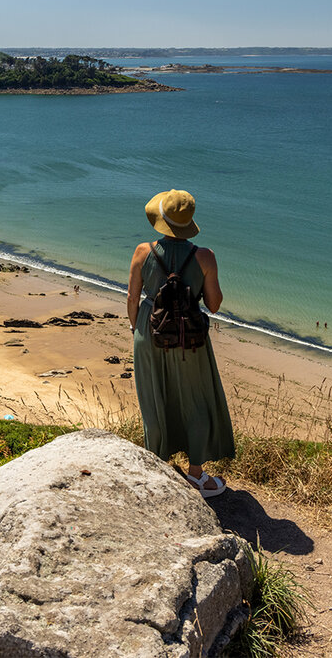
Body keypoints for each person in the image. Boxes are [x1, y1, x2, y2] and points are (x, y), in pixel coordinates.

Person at [127, 189, 235, 497]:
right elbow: (213, 304)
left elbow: (133, 297)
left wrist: (139, 331)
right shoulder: (205, 256)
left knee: (154, 400)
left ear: (160, 221)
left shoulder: (142, 252)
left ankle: (157, 467)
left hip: (150, 331)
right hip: (190, 337)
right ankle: (196, 476)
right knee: (196, 400)